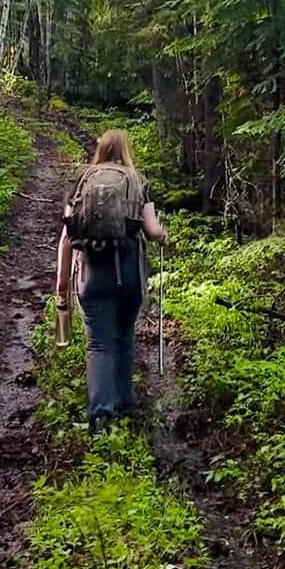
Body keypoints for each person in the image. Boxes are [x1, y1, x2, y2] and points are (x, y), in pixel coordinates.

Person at [55, 128, 167, 433]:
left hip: (92, 273)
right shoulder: (138, 181)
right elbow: (153, 230)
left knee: (99, 343)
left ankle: (101, 417)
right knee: (124, 336)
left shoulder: (81, 182)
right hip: (129, 273)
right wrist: (164, 236)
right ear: (125, 151)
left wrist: (61, 288)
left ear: (99, 150)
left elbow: (67, 238)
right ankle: (125, 406)